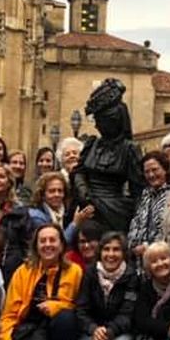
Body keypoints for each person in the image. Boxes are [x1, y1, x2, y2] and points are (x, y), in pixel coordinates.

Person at [0, 223, 82, 340]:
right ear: (36, 245)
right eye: (42, 241)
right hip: (29, 332)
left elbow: (80, 308)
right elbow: (9, 316)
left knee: (66, 318)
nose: (47, 244)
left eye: (52, 240)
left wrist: (56, 306)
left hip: (58, 333)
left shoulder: (74, 271)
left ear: (61, 245)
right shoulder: (23, 272)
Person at [71, 79, 144, 234]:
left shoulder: (129, 149)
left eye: (100, 121)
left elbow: (137, 191)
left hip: (115, 211)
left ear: (113, 122)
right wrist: (83, 191)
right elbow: (78, 171)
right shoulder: (92, 144)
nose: (97, 126)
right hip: (87, 207)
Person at [71, 232, 139, 340]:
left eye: (116, 250)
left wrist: (108, 333)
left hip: (118, 333)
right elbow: (81, 309)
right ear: (100, 252)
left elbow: (128, 314)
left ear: (123, 253)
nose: (111, 254)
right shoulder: (89, 273)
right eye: (106, 249)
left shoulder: (131, 276)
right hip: (93, 332)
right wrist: (94, 330)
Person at [128, 151, 170, 258]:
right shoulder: (144, 195)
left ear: (165, 169)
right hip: (140, 258)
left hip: (163, 255)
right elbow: (136, 222)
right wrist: (133, 246)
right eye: (147, 171)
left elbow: (168, 228)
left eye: (155, 170)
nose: (151, 175)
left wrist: (148, 247)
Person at [28, 171, 81, 244]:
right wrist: (75, 223)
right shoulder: (37, 216)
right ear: (42, 194)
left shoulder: (65, 212)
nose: (57, 194)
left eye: (60, 191)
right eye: (52, 191)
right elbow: (58, 245)